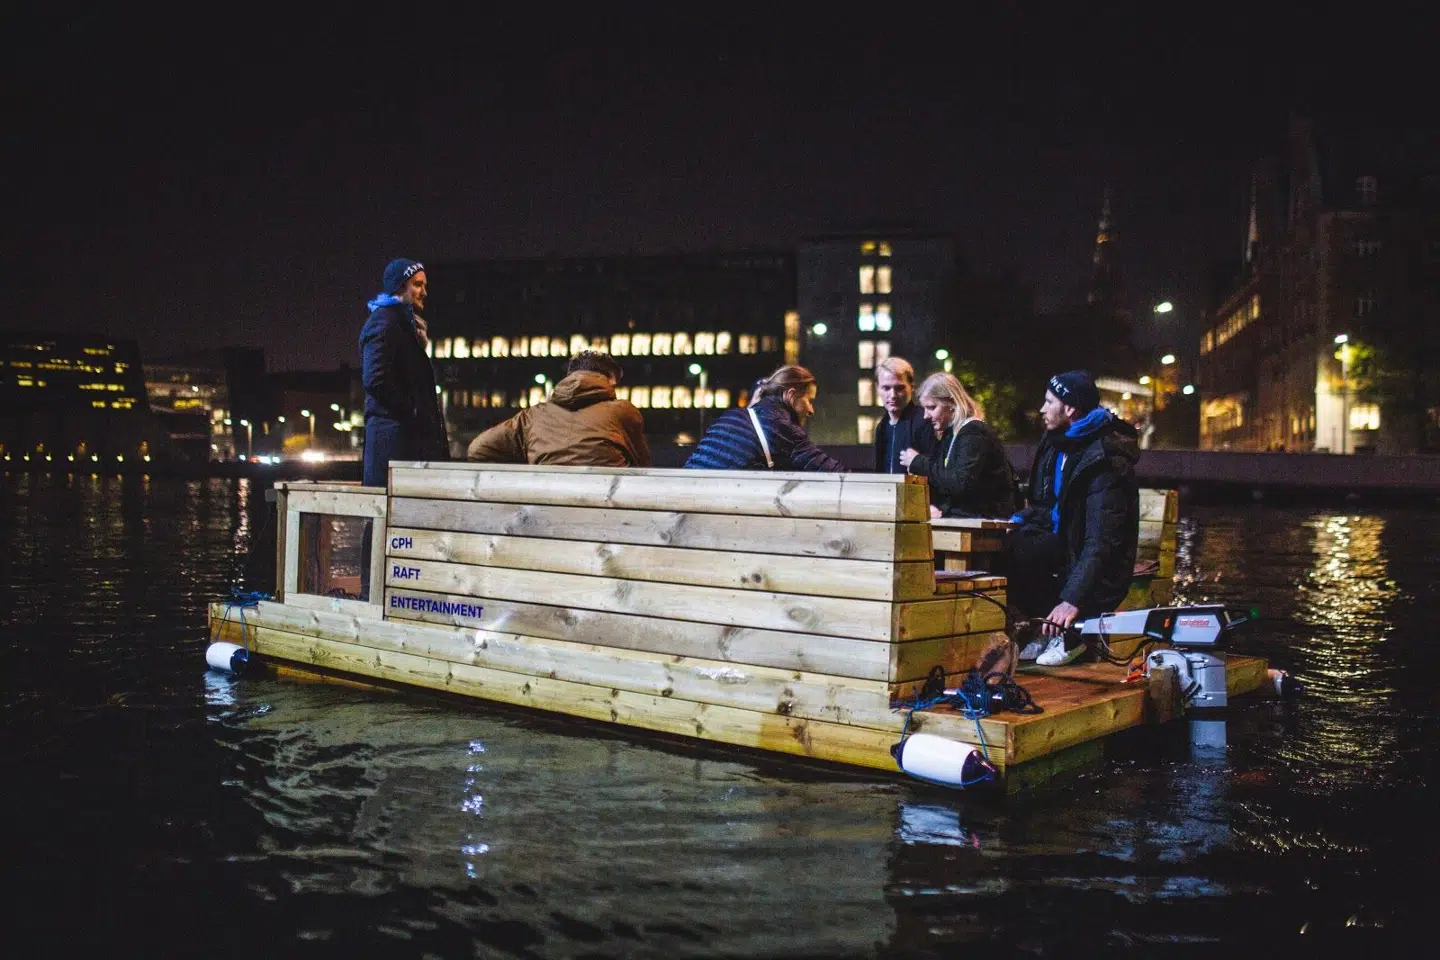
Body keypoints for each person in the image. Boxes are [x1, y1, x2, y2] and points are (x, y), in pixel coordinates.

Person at [1005, 370, 1140, 666]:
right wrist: (1017, 519)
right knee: (1013, 546)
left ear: (1070, 408)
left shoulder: (1105, 459)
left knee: (1032, 551)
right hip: (1068, 545)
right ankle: (1044, 627)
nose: (1042, 409)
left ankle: (1074, 639)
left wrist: (1072, 599)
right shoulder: (1056, 442)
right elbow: (1045, 504)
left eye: (1048, 401)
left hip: (1100, 565)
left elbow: (1102, 540)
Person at [465, 350, 651, 466]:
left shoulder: (532, 416)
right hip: (608, 516)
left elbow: (478, 450)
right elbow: (642, 467)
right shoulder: (623, 411)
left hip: (544, 516)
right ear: (610, 378)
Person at [360, 258, 448, 487]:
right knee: (387, 513)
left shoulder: (402, 324)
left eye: (425, 285)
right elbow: (376, 379)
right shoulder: (385, 322)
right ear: (400, 286)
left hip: (402, 439)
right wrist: (412, 409)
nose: (424, 292)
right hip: (393, 441)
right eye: (417, 285)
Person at [684, 365, 846, 472]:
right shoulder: (782, 427)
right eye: (809, 401)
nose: (811, 410)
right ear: (790, 395)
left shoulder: (730, 415)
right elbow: (832, 473)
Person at [898, 372, 1016, 519]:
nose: (925, 416)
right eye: (924, 409)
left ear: (952, 403)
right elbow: (946, 480)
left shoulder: (973, 432)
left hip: (985, 523)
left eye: (932, 407)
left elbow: (960, 483)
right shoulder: (952, 434)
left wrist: (918, 463)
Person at [873, 357, 935, 473]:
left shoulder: (925, 420)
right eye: (886, 388)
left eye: (899, 388)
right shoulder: (881, 427)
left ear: (912, 387)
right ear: (877, 389)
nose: (893, 395)